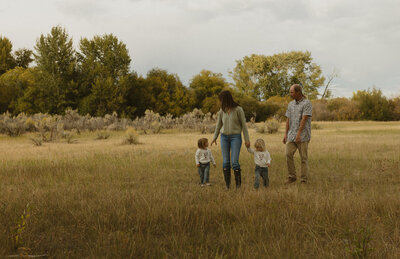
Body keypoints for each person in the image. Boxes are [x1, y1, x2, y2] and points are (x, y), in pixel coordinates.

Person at [210, 90, 250, 189]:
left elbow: (244, 126)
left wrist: (247, 139)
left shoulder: (238, 109)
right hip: (224, 137)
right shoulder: (221, 110)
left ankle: (238, 186)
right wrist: (214, 137)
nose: (220, 102)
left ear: (225, 99)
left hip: (235, 137)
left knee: (235, 162)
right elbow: (219, 125)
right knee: (226, 162)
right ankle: (228, 186)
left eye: (221, 100)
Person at [283, 84, 312, 184]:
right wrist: (285, 134)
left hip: (303, 136)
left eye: (292, 92)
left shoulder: (307, 103)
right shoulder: (290, 104)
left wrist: (299, 134)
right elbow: (288, 119)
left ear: (298, 92)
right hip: (291, 135)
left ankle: (304, 180)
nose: (290, 94)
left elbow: (304, 119)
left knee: (303, 158)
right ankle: (292, 176)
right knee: (288, 154)